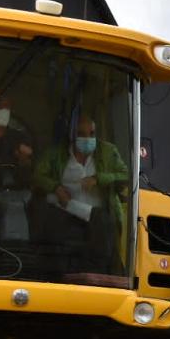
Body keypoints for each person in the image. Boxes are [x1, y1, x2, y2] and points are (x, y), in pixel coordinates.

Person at [32, 114, 128, 272]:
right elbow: (37, 176)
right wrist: (55, 187)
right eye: (81, 134)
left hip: (98, 222)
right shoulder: (56, 154)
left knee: (100, 265)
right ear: (71, 135)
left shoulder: (108, 152)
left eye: (92, 134)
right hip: (64, 218)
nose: (87, 138)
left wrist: (98, 179)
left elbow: (126, 177)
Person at [0, 92, 34, 241]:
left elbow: (30, 178)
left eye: (6, 107)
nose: (3, 110)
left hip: (9, 198)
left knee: (14, 211)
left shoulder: (20, 137)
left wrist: (24, 162)